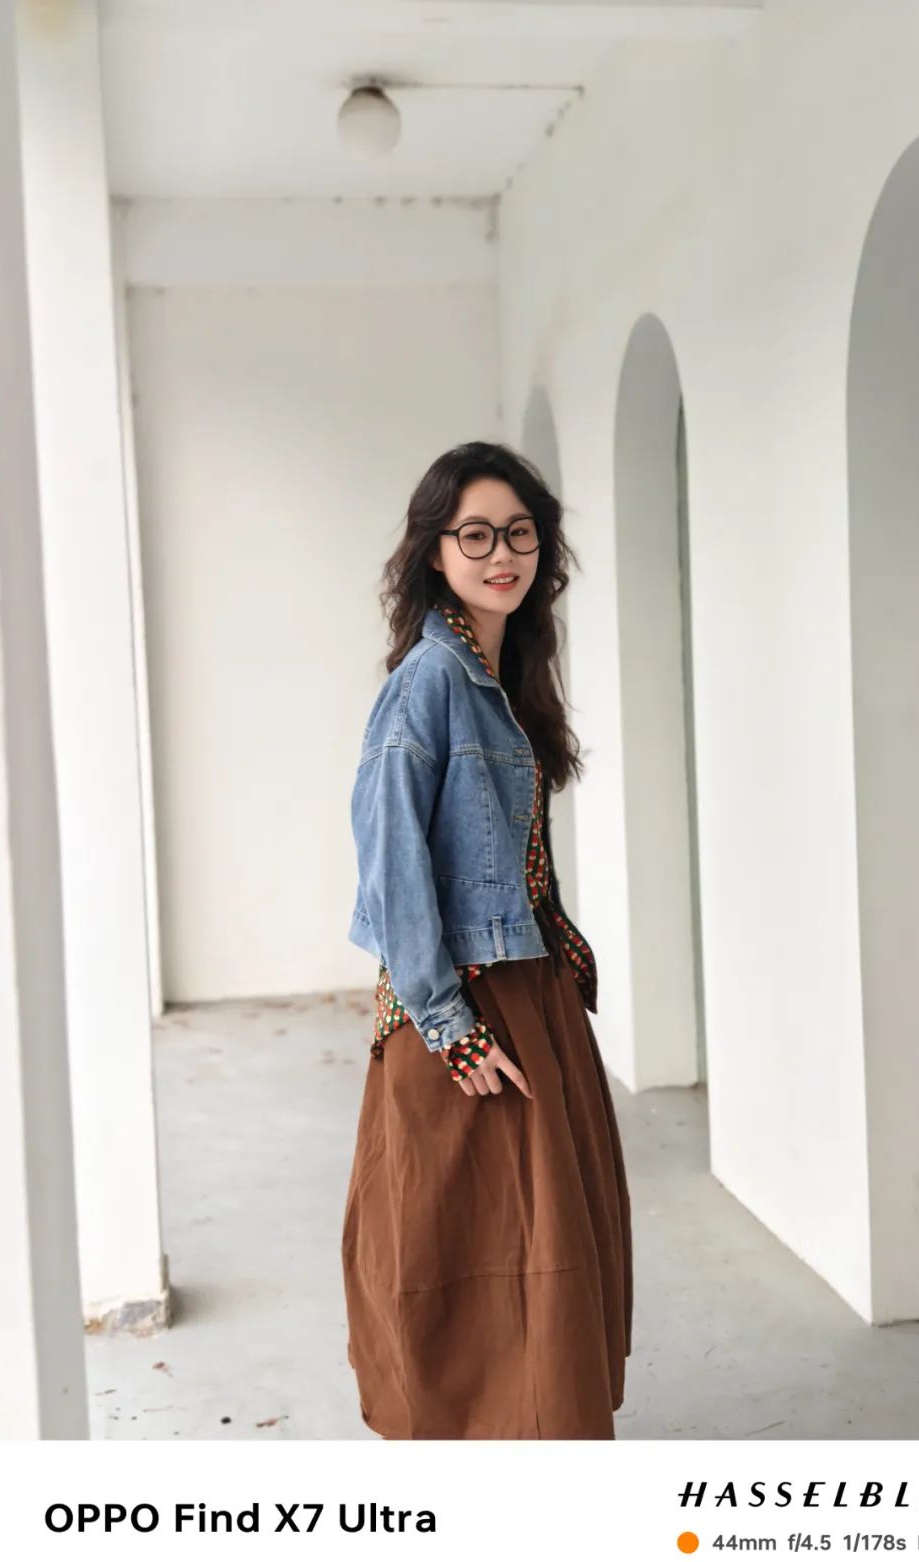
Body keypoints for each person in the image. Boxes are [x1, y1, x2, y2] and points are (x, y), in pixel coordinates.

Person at [341, 440, 633, 1440]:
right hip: (466, 997)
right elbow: (391, 864)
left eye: (519, 532)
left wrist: (557, 937)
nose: (501, 553)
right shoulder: (429, 679)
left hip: (530, 986)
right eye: (475, 534)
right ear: (435, 549)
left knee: (543, 1239)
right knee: (473, 1243)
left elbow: (507, 851)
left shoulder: (502, 669)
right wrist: (447, 1022)